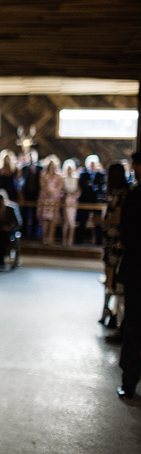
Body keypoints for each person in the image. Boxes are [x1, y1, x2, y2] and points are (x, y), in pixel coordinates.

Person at [117, 152, 141, 399]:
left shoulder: (135, 197)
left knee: (135, 324)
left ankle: (130, 380)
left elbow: (126, 234)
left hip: (137, 267)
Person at [94, 163, 129, 326]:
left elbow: (118, 219)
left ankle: (111, 310)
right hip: (111, 239)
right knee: (109, 275)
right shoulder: (116, 193)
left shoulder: (122, 194)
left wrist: (100, 221)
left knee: (112, 276)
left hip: (116, 240)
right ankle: (107, 308)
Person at [38, 155, 63, 245]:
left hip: (54, 199)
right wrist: (48, 191)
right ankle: (44, 238)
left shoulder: (58, 176)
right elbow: (43, 185)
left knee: (52, 219)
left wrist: (54, 192)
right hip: (45, 199)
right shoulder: (43, 175)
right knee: (45, 219)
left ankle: (50, 238)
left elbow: (60, 186)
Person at [61, 159, 80, 247]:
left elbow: (79, 190)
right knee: (66, 221)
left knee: (72, 221)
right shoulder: (63, 178)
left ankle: (70, 239)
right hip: (66, 200)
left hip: (73, 200)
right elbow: (62, 190)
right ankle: (64, 239)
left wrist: (75, 195)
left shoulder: (76, 178)